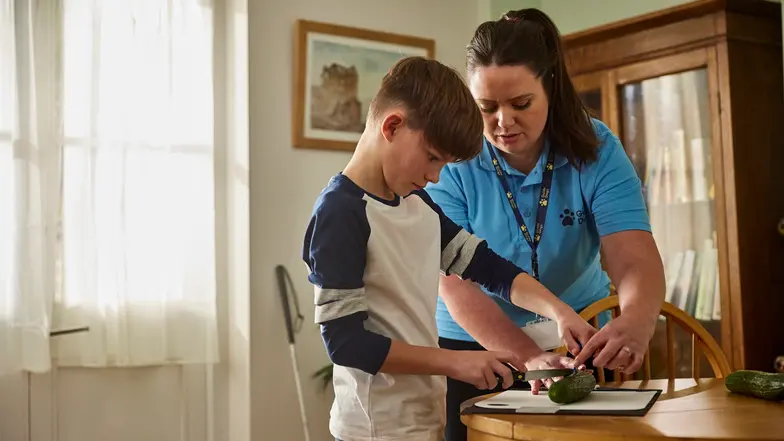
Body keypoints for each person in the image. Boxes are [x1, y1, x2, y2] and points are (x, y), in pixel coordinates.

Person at [302, 56, 597, 441]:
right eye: (432, 157)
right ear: (392, 126)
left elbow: (489, 269)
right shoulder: (340, 214)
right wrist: (454, 362)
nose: (435, 176)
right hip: (372, 428)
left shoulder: (419, 205)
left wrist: (559, 312)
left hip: (423, 418)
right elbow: (346, 343)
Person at [424, 9, 667, 441]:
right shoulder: (456, 159)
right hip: (475, 343)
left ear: (549, 87)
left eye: (520, 104)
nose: (503, 122)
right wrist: (527, 356)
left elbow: (632, 257)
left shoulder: (596, 149)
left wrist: (636, 319)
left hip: (579, 338)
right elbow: (455, 281)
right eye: (486, 108)